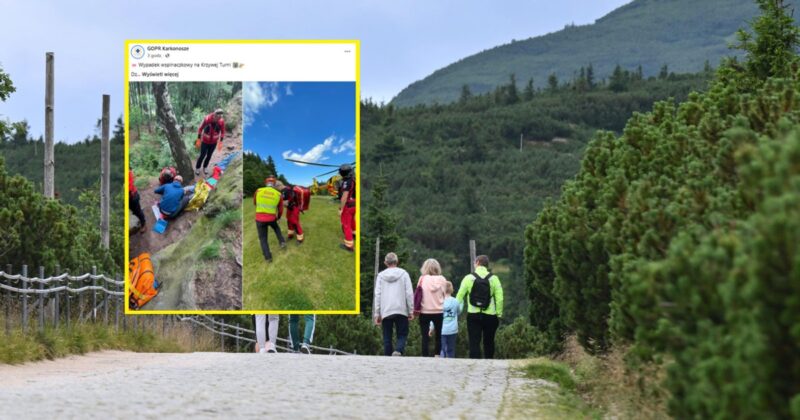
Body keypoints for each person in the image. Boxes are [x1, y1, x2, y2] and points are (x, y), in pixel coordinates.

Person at [455, 255, 504, 359]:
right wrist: (499, 313)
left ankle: (474, 364)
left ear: (477, 262)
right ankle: (489, 363)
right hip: (490, 315)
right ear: (487, 264)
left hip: (473, 315)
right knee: (489, 341)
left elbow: (459, 296)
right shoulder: (494, 279)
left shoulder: (468, 278)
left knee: (474, 341)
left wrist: (456, 311)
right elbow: (500, 299)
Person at [373, 252, 414, 356]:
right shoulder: (404, 274)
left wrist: (377, 313)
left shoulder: (381, 276)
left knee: (387, 336)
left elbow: (377, 294)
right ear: (397, 262)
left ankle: (387, 358)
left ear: (385, 262)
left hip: (386, 310)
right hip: (401, 309)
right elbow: (409, 293)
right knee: (402, 334)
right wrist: (411, 310)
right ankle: (398, 350)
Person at [415, 258, 448, 357]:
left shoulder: (422, 279)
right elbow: (444, 294)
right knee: (438, 335)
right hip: (439, 310)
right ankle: (437, 354)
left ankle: (425, 355)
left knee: (425, 336)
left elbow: (418, 292)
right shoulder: (442, 279)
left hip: (425, 311)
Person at [254, 176, 285, 263]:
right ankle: (282, 242)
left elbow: (254, 202)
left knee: (263, 238)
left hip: (259, 218)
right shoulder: (278, 194)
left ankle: (268, 257)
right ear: (274, 184)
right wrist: (278, 217)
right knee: (276, 228)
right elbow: (281, 208)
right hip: (272, 218)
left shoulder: (258, 191)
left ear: (266, 183)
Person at [195, 109, 225, 177]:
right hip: (205, 141)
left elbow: (223, 132)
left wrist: (221, 141)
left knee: (209, 155)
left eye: (220, 118)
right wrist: (198, 139)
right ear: (214, 115)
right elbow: (200, 129)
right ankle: (197, 168)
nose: (218, 119)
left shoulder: (221, 121)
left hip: (213, 142)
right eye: (217, 118)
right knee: (202, 155)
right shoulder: (207, 119)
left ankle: (205, 167)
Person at [337, 164, 356, 252]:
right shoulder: (353, 180)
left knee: (346, 225)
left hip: (348, 206)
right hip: (354, 205)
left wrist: (341, 208)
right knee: (352, 221)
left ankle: (349, 246)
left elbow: (344, 196)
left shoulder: (346, 182)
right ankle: (354, 234)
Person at [441, 281, 461, 358]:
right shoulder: (456, 301)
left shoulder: (440, 302)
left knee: (442, 348)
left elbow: (436, 316)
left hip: (442, 330)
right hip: (453, 329)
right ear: (451, 289)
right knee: (451, 349)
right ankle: (451, 362)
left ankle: (442, 362)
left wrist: (431, 328)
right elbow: (458, 312)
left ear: (442, 290)